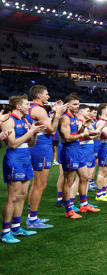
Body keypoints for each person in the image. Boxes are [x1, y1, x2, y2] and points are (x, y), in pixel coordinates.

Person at [1, 95, 45, 243]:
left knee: (22, 194)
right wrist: (30, 132)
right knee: (12, 197)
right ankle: (5, 233)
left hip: (25, 156)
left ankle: (16, 227)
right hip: (14, 158)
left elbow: (31, 144)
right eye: (27, 104)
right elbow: (13, 144)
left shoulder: (25, 120)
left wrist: (35, 133)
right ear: (18, 106)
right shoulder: (9, 121)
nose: (29, 106)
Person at [25, 85, 66, 229]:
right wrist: (58, 114)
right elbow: (52, 130)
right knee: (40, 185)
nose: (49, 96)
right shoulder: (39, 109)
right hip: (41, 146)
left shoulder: (34, 109)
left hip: (40, 146)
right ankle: (32, 220)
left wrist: (54, 112)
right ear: (39, 96)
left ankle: (32, 216)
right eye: (46, 94)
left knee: (36, 185)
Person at [58, 93, 100, 219]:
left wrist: (84, 127)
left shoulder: (75, 117)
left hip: (77, 150)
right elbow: (67, 137)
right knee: (69, 181)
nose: (76, 106)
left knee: (85, 177)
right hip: (69, 150)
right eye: (74, 104)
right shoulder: (65, 118)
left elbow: (77, 132)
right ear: (67, 105)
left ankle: (84, 204)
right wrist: (83, 134)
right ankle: (69, 210)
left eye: (77, 104)